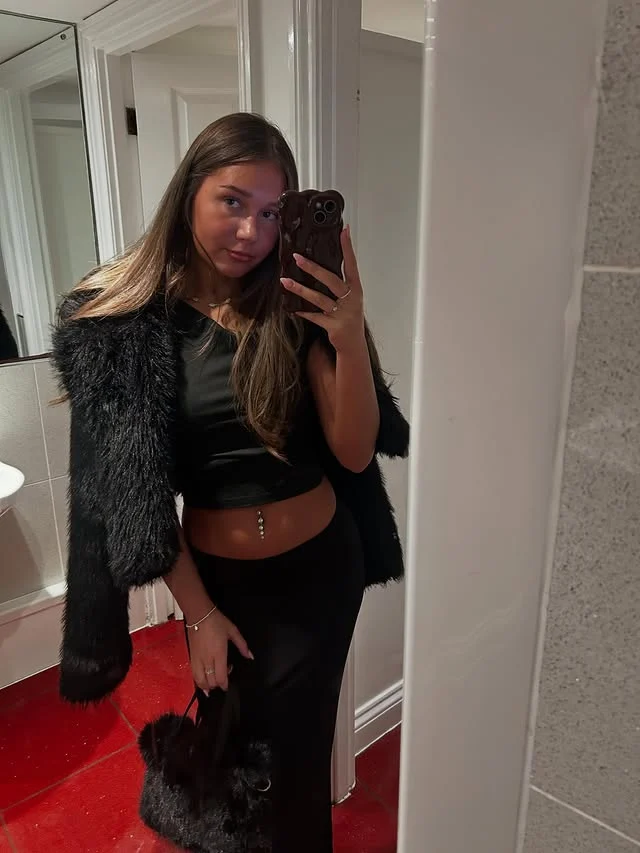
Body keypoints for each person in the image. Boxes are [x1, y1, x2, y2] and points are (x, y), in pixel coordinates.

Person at [51, 112, 409, 853]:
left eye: (273, 212)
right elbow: (139, 497)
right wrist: (200, 615)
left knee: (301, 758)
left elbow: (352, 453)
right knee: (237, 752)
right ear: (190, 192)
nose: (252, 231)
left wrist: (348, 336)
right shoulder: (130, 327)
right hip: (223, 586)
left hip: (321, 574)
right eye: (233, 202)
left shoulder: (295, 303)